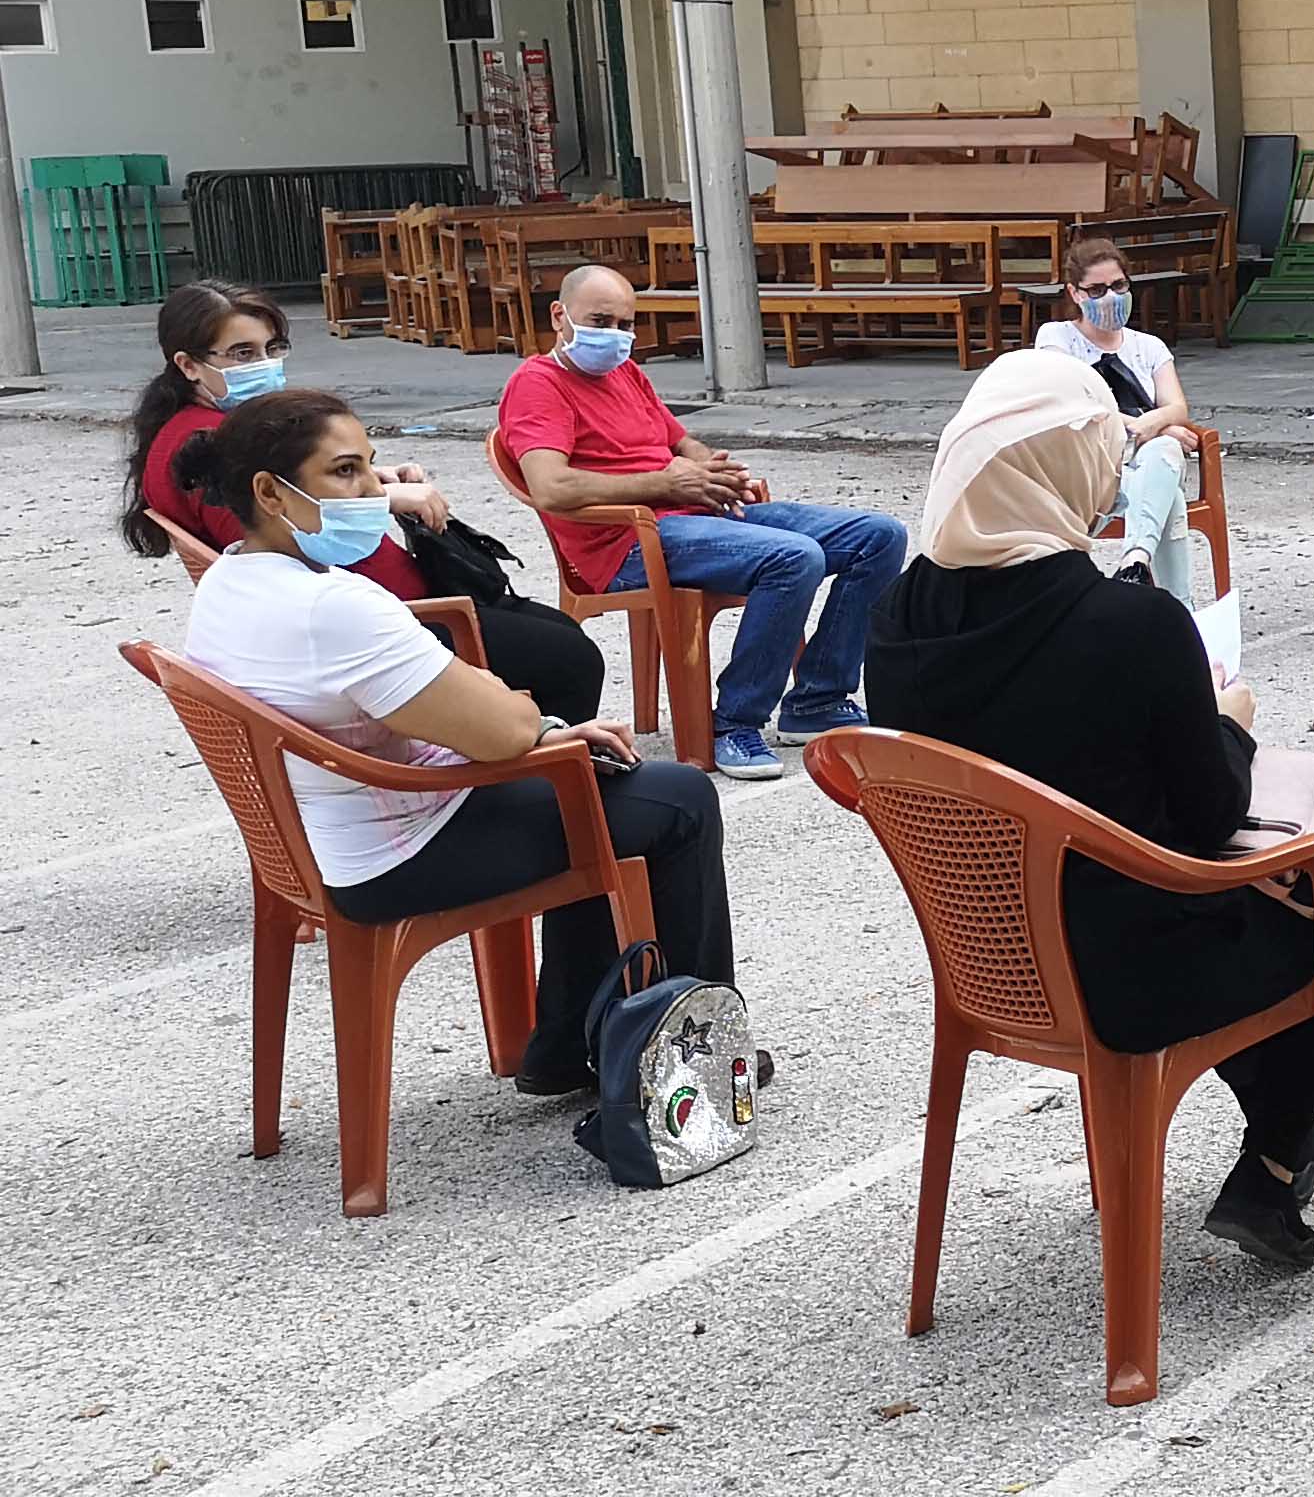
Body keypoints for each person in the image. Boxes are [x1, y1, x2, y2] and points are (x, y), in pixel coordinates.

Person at [867, 352, 1314, 1269]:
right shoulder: (1130, 623)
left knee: (1271, 904)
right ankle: (1276, 1159)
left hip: (990, 957)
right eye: (1103, 454)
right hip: (1129, 968)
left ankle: (1284, 1131)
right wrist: (1226, 720)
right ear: (1061, 470)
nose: (1114, 476)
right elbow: (1208, 818)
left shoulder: (894, 616)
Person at [173, 389, 738, 1098]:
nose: (373, 492)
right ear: (269, 491)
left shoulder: (228, 577)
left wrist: (549, 734)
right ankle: (702, 1049)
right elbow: (501, 732)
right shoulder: (337, 607)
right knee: (675, 797)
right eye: (344, 473)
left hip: (328, 832)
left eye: (371, 468)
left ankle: (572, 1043)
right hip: (396, 851)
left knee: (596, 781)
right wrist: (545, 729)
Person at [124, 280, 603, 724]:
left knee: (555, 631)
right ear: (188, 365)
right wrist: (385, 500)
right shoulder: (207, 449)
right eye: (242, 353)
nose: (265, 365)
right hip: (384, 619)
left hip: (393, 603)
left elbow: (295, 495)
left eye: (272, 349)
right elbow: (275, 536)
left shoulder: (202, 434)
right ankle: (556, 784)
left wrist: (369, 478)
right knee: (570, 658)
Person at [498, 266, 908, 780]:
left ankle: (818, 699)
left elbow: (678, 442)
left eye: (627, 324)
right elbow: (551, 487)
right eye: (601, 320)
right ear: (560, 316)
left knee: (879, 536)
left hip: (695, 513)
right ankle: (734, 721)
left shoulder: (624, 373)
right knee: (794, 557)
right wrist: (665, 484)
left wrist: (710, 467)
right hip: (626, 542)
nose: (617, 336)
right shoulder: (538, 384)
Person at [1031, 237, 1209, 601]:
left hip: (1144, 463)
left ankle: (1135, 560)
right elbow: (1069, 403)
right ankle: (1179, 610)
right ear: (1074, 293)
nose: (1109, 297)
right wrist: (1153, 424)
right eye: (1096, 289)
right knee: (1168, 474)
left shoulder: (1148, 346)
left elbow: (1178, 407)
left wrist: (1153, 425)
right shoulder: (1057, 338)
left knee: (1162, 453)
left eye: (1118, 286)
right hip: (1089, 469)